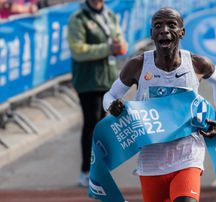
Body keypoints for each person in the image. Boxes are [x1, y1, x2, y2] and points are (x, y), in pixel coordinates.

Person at [103, 7, 216, 202]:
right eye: (158, 26)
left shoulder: (196, 64)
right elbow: (109, 96)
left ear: (182, 32)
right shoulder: (137, 65)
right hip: (151, 158)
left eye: (171, 25)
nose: (164, 30)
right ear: (151, 33)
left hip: (188, 155)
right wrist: (112, 106)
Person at [67, 0, 127, 187]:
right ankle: (86, 170)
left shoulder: (109, 15)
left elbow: (119, 39)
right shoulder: (78, 18)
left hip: (107, 79)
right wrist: (108, 49)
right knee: (91, 123)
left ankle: (100, 168)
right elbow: (78, 50)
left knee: (104, 124)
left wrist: (121, 46)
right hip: (88, 80)